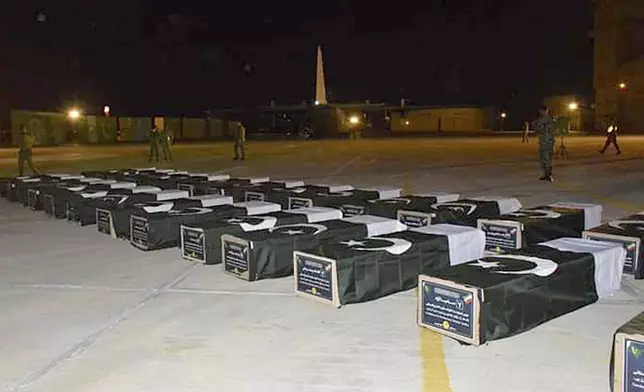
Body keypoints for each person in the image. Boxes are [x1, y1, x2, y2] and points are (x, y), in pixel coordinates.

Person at [532, 106, 555, 182]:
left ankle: (548, 175)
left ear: (545, 111)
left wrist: (537, 125)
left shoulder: (546, 119)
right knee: (543, 159)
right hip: (544, 141)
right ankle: (546, 175)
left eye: (541, 111)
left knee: (547, 159)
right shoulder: (545, 119)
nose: (540, 113)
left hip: (547, 142)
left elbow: (535, 125)